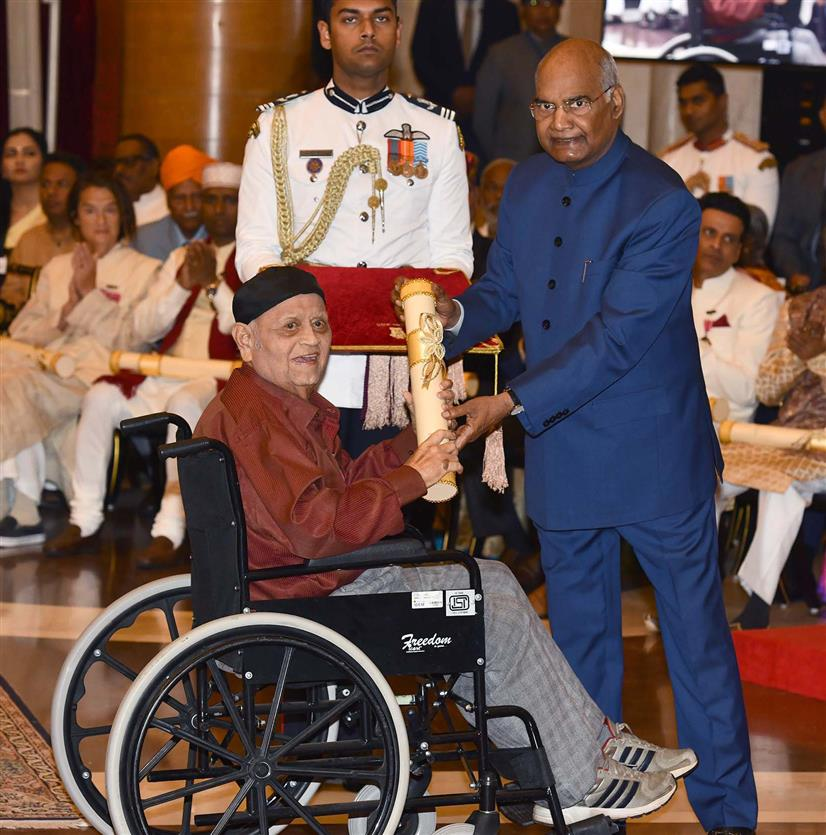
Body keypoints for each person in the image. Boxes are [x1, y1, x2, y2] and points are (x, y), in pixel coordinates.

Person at [197, 266, 695, 826]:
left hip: (315, 582)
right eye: (289, 327)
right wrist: (413, 475)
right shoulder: (257, 418)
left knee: (493, 584)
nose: (311, 339)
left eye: (319, 323)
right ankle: (580, 775)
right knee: (489, 605)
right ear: (245, 338)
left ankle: (594, 747)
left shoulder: (267, 406)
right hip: (311, 596)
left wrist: (419, 441)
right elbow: (319, 525)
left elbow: (342, 488)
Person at [420, 39, 757, 835]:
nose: (559, 123)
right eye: (545, 107)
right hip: (566, 451)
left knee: (697, 649)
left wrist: (506, 405)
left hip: (654, 457)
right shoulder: (529, 182)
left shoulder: (663, 201)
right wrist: (453, 318)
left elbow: (613, 340)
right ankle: (591, 814)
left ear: (614, 101)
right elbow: (502, 289)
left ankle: (731, 816)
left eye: (576, 104)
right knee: (578, 651)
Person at [237, 0, 472, 456]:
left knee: (398, 511)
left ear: (399, 31)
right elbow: (253, 247)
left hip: (399, 365)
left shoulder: (434, 129)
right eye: (351, 18)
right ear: (325, 33)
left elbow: (453, 256)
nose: (368, 30)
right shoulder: (278, 125)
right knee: (300, 513)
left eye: (381, 18)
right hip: (302, 357)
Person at [44, 162, 242, 566]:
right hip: (164, 366)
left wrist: (212, 284)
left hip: (216, 376)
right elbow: (147, 324)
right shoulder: (180, 256)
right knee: (100, 395)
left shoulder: (254, 261)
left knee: (184, 406)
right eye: (211, 200)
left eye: (229, 200)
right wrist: (182, 284)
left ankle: (169, 528)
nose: (219, 209)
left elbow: (242, 327)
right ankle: (84, 517)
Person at [0, 172, 160, 547]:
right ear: (76, 216)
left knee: (15, 384)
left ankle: (23, 506)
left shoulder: (145, 270)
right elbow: (23, 332)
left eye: (109, 211)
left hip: (97, 373)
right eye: (90, 210)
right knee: (14, 376)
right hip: (47, 366)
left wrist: (90, 296)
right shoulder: (58, 266)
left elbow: (135, 340)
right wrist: (65, 311)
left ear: (124, 215)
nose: (100, 221)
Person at [719, 285, 826, 629]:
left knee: (785, 484)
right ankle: (688, 592)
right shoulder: (799, 308)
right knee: (706, 477)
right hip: (786, 434)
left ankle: (757, 606)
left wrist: (818, 356)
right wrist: (800, 355)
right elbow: (766, 389)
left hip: (819, 446)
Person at [692, 192, 783, 423]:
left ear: (739, 251)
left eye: (729, 239)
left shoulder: (758, 299)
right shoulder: (663, 286)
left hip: (720, 431)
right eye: (709, 232)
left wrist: (685, 342)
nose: (716, 245)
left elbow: (747, 390)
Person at [660, 64, 779, 230]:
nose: (688, 111)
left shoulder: (756, 160)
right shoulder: (669, 160)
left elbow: (756, 234)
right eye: (683, 103)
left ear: (722, 101)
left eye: (698, 101)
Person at [411, 0, 520, 153]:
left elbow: (512, 63)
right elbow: (421, 58)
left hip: (490, 123)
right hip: (439, 112)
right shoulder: (432, 5)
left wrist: (481, 94)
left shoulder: (505, 10)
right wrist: (452, 92)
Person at [474, 0, 566, 163]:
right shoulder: (500, 54)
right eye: (534, 3)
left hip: (562, 159)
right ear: (522, 10)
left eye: (549, 3)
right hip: (511, 160)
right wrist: (498, 158)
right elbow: (483, 116)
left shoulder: (573, 51)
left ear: (559, 8)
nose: (543, 11)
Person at [2, 153, 85, 318]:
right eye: (45, 184)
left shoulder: (90, 240)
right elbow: (10, 294)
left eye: (61, 184)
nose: (51, 192)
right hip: (29, 331)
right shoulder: (28, 239)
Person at [770, 90, 826, 292]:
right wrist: (794, 272)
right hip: (806, 286)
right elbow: (782, 236)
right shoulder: (799, 171)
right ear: (822, 116)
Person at [133, 144, 212, 262]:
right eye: (180, 198)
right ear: (168, 200)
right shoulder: (143, 241)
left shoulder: (222, 237)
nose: (189, 206)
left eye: (197, 196)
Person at [1, 128, 47, 252]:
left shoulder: (54, 213)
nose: (19, 161)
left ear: (44, 161)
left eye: (29, 153)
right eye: (11, 154)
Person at [112, 133, 168, 227]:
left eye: (129, 162)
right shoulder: (110, 207)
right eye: (116, 163)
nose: (118, 170)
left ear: (153, 166)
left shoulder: (170, 212)